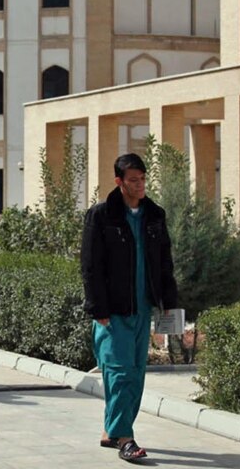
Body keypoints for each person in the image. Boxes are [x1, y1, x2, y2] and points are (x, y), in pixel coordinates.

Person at [80, 153, 178, 462]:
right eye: (133, 180)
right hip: (113, 309)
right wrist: (97, 306)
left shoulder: (154, 215)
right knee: (120, 372)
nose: (140, 185)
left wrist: (169, 303)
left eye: (143, 179)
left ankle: (112, 430)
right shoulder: (101, 216)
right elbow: (90, 265)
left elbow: (164, 263)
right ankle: (125, 437)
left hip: (143, 307)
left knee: (134, 373)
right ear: (119, 182)